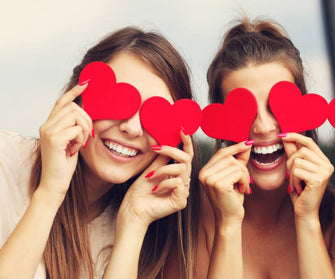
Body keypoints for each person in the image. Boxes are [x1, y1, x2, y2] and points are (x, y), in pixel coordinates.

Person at [0, 26, 197, 279]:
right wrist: (50, 192)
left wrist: (134, 221)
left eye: (157, 116)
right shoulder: (6, 161)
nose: (132, 128)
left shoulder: (156, 229)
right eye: (117, 101)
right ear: (77, 99)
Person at [187, 18, 335, 279]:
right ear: (221, 121)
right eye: (244, 111)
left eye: (276, 107)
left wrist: (307, 218)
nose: (263, 127)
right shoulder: (189, 214)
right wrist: (229, 224)